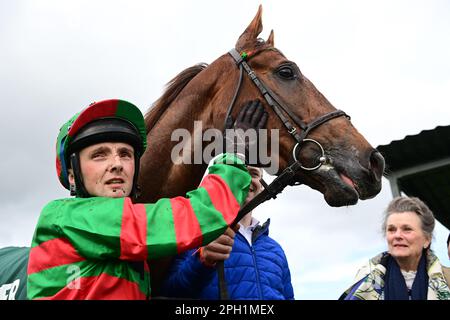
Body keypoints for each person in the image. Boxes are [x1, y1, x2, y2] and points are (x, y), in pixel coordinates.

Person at [26, 98, 267, 300]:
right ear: (72, 176)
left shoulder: (129, 247)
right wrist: (235, 153)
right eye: (99, 155)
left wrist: (201, 261)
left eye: (125, 154)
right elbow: (196, 215)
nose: (117, 164)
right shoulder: (63, 217)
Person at [161, 166, 294, 300]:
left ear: (262, 186)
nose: (246, 178)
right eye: (237, 171)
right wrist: (202, 261)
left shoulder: (276, 250)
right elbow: (170, 291)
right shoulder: (196, 236)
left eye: (254, 174)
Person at [340, 196, 450, 300]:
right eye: (391, 229)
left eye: (407, 229)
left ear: (427, 239)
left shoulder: (447, 279)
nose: (397, 235)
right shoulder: (364, 280)